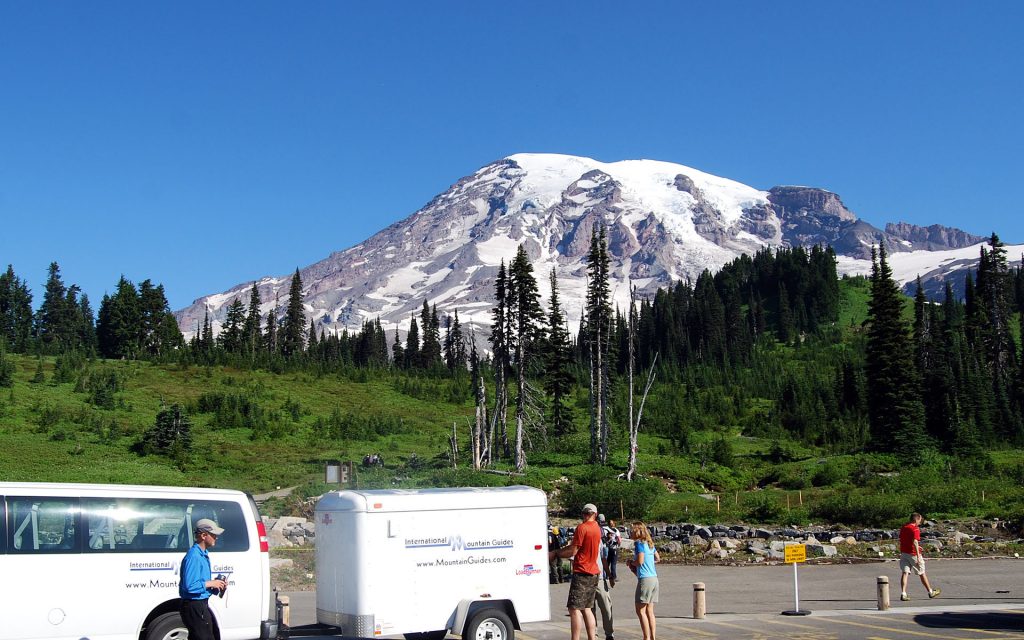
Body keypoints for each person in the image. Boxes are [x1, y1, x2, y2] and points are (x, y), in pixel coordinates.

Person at [550, 503, 602, 640]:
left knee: (574, 609)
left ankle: (575, 638)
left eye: (586, 514)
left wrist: (556, 553)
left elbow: (573, 550)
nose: (585, 516)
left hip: (582, 570)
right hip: (594, 571)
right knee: (587, 608)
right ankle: (592, 637)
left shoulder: (582, 528)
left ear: (591, 514)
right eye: (585, 513)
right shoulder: (597, 528)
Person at [179, 518, 229, 640]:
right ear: (203, 535)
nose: (216, 538)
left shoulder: (203, 554)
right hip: (194, 607)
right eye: (214, 535)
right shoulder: (194, 556)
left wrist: (217, 586)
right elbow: (190, 586)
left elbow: (200, 585)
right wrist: (212, 583)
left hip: (200, 605)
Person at [626, 522, 660, 640]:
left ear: (637, 531)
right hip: (654, 578)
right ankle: (652, 637)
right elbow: (657, 558)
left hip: (645, 579)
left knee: (640, 610)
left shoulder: (639, 544)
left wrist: (631, 563)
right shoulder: (650, 544)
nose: (630, 532)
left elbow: (640, 561)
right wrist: (648, 563)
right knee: (649, 610)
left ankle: (646, 637)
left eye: (632, 530)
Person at [899, 512, 940, 601]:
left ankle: (903, 593)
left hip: (904, 553)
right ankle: (930, 591)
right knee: (922, 572)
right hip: (913, 553)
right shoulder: (915, 529)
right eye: (920, 520)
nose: (920, 522)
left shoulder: (904, 527)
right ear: (917, 519)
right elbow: (915, 541)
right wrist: (918, 555)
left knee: (905, 573)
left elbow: (903, 539)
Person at [591, 535, 615, 640]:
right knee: (590, 610)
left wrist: (609, 575)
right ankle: (593, 634)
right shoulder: (580, 537)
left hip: (600, 578)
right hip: (587, 578)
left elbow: (603, 558)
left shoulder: (598, 539)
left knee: (607, 607)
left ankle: (609, 634)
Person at [602, 517, 621, 585]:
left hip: (608, 547)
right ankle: (613, 576)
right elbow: (619, 539)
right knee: (613, 563)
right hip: (614, 548)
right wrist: (619, 544)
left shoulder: (606, 530)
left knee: (608, 562)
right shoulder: (615, 530)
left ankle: (606, 575)